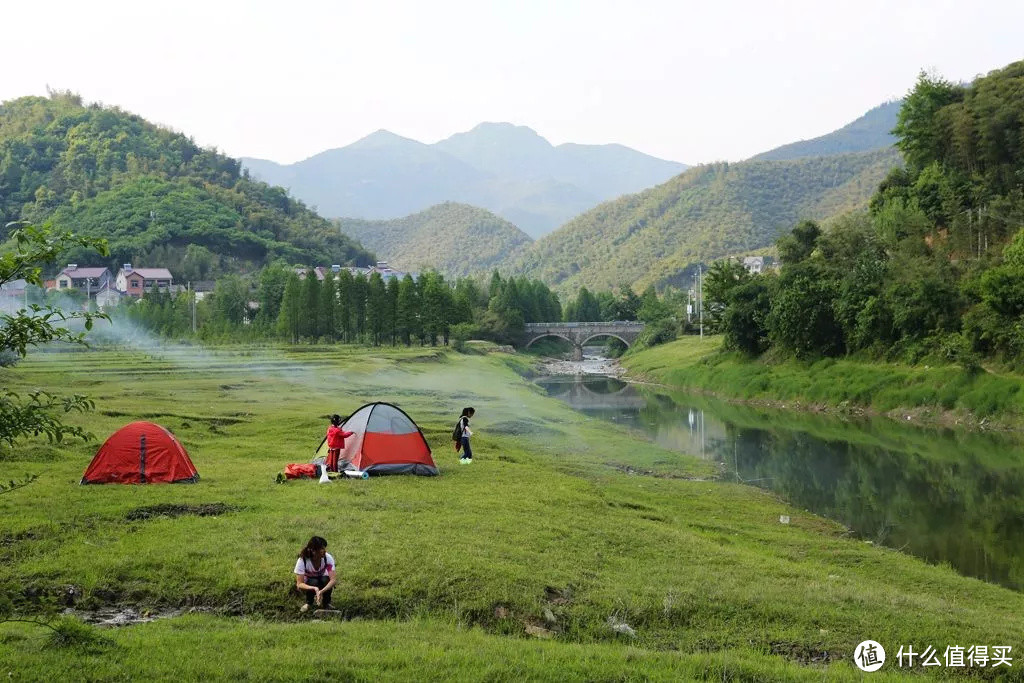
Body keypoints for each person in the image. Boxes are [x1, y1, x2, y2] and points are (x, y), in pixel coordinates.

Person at [293, 535, 336, 612]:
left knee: (326, 579)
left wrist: (321, 591)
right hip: (309, 583)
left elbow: (333, 580)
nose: (324, 551)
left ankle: (326, 603)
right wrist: (314, 588)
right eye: (321, 549)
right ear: (313, 550)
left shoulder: (327, 558)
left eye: (324, 548)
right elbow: (299, 584)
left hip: (322, 580)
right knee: (313, 582)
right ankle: (309, 603)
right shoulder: (303, 561)